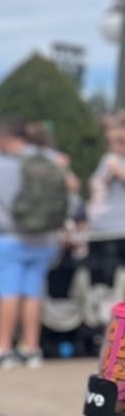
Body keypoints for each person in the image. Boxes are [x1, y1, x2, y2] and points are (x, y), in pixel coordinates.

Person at [0, 116, 67, 367]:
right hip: (44, 237)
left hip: (6, 237)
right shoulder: (50, 159)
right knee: (33, 293)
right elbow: (71, 185)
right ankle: (31, 349)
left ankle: (2, 348)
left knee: (8, 293)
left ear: (7, 138)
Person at [87, 117, 125, 290]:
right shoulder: (109, 160)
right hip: (108, 225)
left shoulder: (114, 162)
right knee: (106, 274)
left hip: (116, 225)